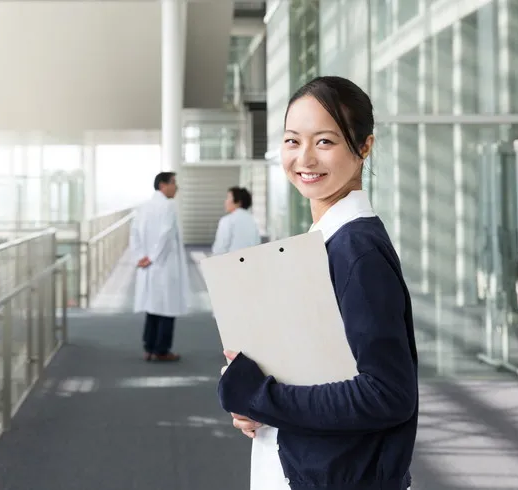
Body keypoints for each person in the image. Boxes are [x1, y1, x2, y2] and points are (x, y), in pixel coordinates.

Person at [217, 76, 418, 490]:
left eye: (325, 141)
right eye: (293, 141)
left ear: (364, 147)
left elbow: (387, 394)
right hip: (313, 463)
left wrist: (261, 396)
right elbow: (323, 370)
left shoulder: (356, 252)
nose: (305, 158)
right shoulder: (325, 241)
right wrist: (264, 402)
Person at [130, 171, 190, 362]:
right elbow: (166, 235)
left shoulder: (144, 206)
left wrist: (141, 256)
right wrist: (153, 258)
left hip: (150, 265)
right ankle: (162, 350)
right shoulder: (168, 206)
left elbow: (134, 233)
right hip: (163, 264)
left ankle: (149, 347)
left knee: (153, 307)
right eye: (173, 183)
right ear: (163, 185)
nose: (176, 187)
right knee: (167, 309)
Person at [211, 186, 262, 255]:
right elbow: (257, 244)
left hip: (230, 263)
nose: (225, 201)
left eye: (228, 198)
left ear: (238, 202)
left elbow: (220, 249)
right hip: (250, 262)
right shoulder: (252, 220)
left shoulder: (227, 220)